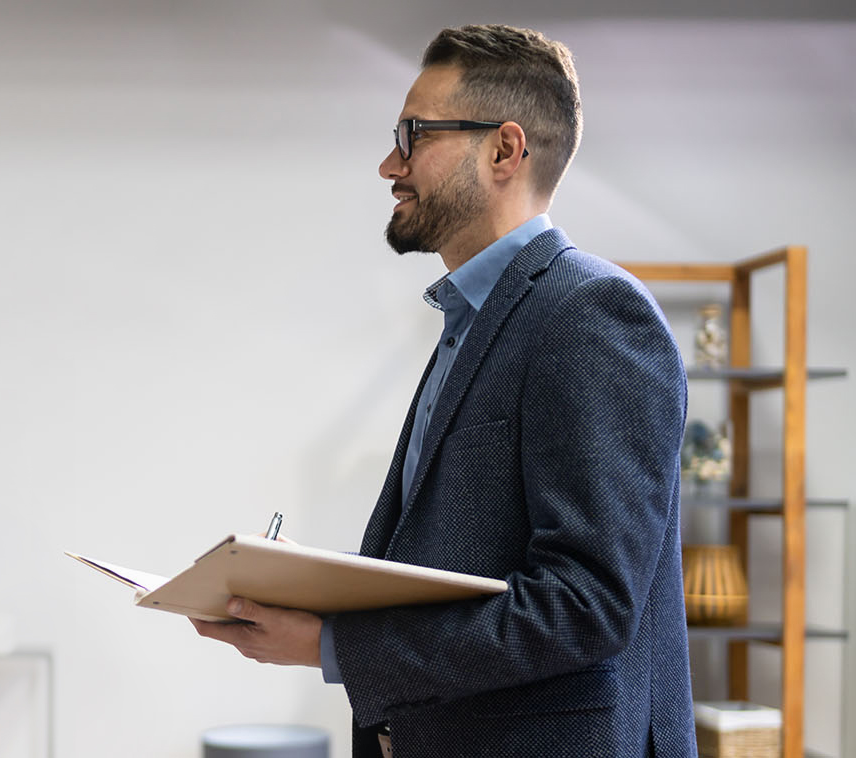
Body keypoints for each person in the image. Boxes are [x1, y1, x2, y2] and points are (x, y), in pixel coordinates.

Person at [190, 24, 696, 758]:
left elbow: (585, 605)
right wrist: (318, 587)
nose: (390, 163)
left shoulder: (590, 314)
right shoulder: (474, 318)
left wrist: (336, 644)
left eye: (415, 134)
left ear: (504, 150)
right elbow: (468, 558)